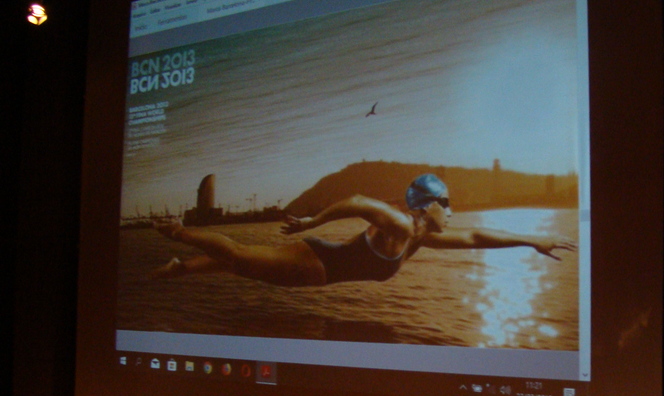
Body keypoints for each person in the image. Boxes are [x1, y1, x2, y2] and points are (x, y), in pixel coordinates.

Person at [151, 173, 576, 286]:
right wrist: (313, 221)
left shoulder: (418, 238)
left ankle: (180, 268)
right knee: (240, 257)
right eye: (447, 203)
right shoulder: (398, 224)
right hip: (313, 261)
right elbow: (355, 202)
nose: (453, 211)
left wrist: (532, 239)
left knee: (239, 267)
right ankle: (179, 234)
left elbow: (476, 239)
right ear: (428, 206)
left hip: (314, 271)